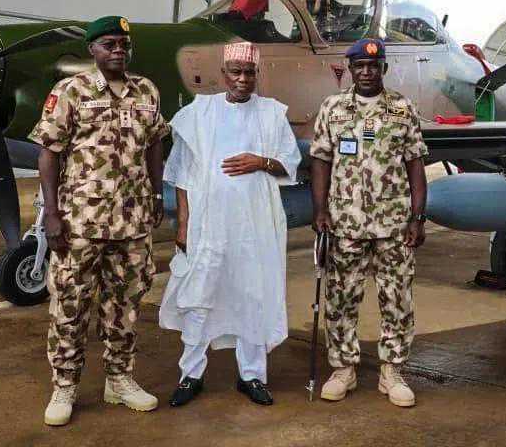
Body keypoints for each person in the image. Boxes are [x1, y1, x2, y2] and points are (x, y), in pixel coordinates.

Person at [30, 16, 170, 427]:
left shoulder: (146, 90)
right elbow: (49, 153)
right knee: (70, 306)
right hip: (80, 222)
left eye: (124, 44)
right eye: (109, 44)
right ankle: (65, 385)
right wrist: (51, 213)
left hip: (132, 223)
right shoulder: (70, 91)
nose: (118, 51)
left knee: (125, 305)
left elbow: (155, 144)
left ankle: (119, 379)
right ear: (92, 49)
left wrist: (156, 194)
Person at [159, 41, 301, 407]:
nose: (242, 79)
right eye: (235, 72)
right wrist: (183, 224)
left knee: (253, 295)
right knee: (199, 296)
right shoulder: (200, 112)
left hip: (255, 226)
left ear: (257, 74)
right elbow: (181, 173)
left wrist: (260, 161)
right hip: (208, 225)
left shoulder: (271, 113)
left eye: (249, 73)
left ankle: (251, 375)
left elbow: (290, 163)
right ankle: (191, 375)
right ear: (223, 74)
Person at [309, 38, 428, 408]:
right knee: (340, 298)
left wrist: (417, 217)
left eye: (373, 66)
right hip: (345, 224)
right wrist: (320, 210)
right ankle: (343, 369)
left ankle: (391, 371)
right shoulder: (332, 108)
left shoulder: (402, 108)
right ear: (349, 69)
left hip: (394, 226)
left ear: (383, 69)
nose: (366, 72)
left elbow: (415, 165)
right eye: (359, 66)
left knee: (397, 299)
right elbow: (320, 161)